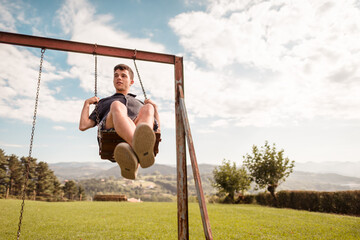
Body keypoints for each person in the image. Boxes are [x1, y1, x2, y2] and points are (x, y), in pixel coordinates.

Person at [79, 63, 160, 180]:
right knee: (117, 105)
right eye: (116, 75)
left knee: (149, 108)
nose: (119, 78)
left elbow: (157, 130)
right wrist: (86, 104)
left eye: (123, 76)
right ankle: (140, 149)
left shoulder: (140, 103)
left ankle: (136, 152)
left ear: (131, 82)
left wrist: (155, 109)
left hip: (137, 128)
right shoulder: (105, 102)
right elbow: (83, 125)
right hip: (111, 129)